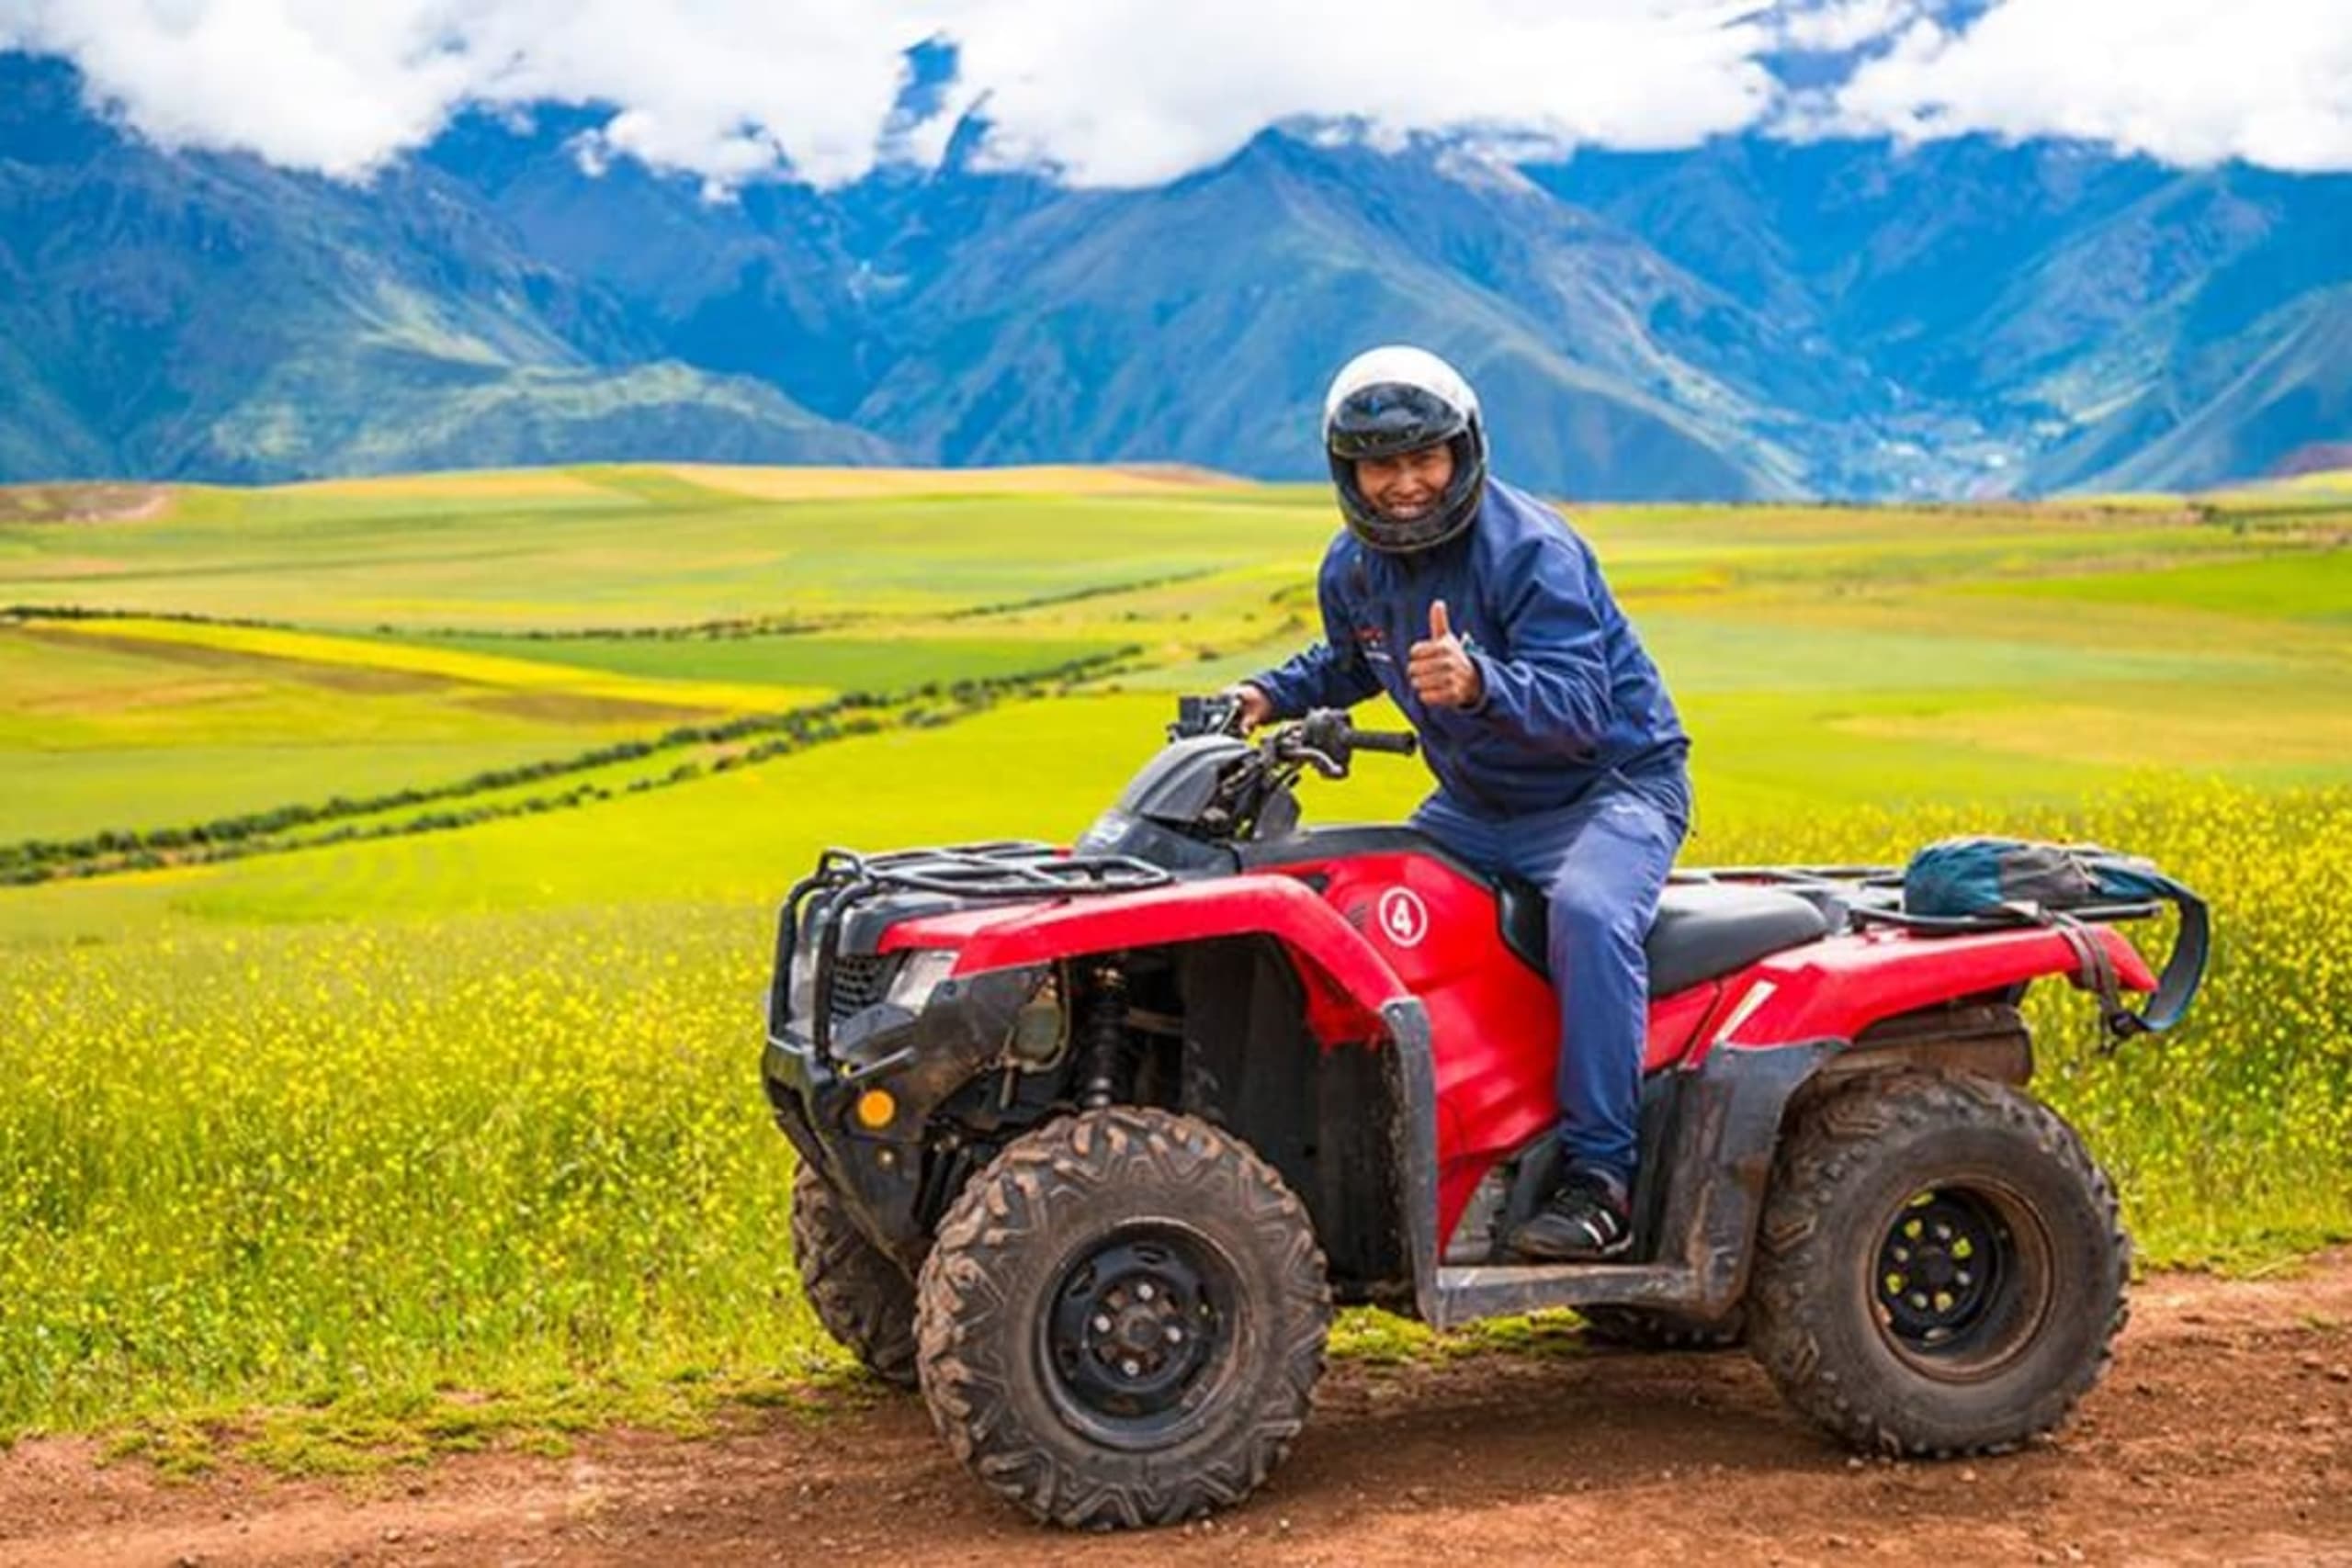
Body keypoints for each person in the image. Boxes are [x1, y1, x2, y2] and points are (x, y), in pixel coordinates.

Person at [1231, 345, 1690, 1261]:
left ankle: (1601, 1180)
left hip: (1606, 791)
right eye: (1379, 463)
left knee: (1592, 919)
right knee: (1359, 898)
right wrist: (1265, 697)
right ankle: (1438, 1145)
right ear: (1347, 470)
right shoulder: (1354, 566)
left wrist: (1480, 684)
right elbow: (1353, 661)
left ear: (1463, 450)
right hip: (1478, 804)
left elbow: (1580, 709)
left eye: (1423, 458)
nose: (1403, 483)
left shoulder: (1532, 551)